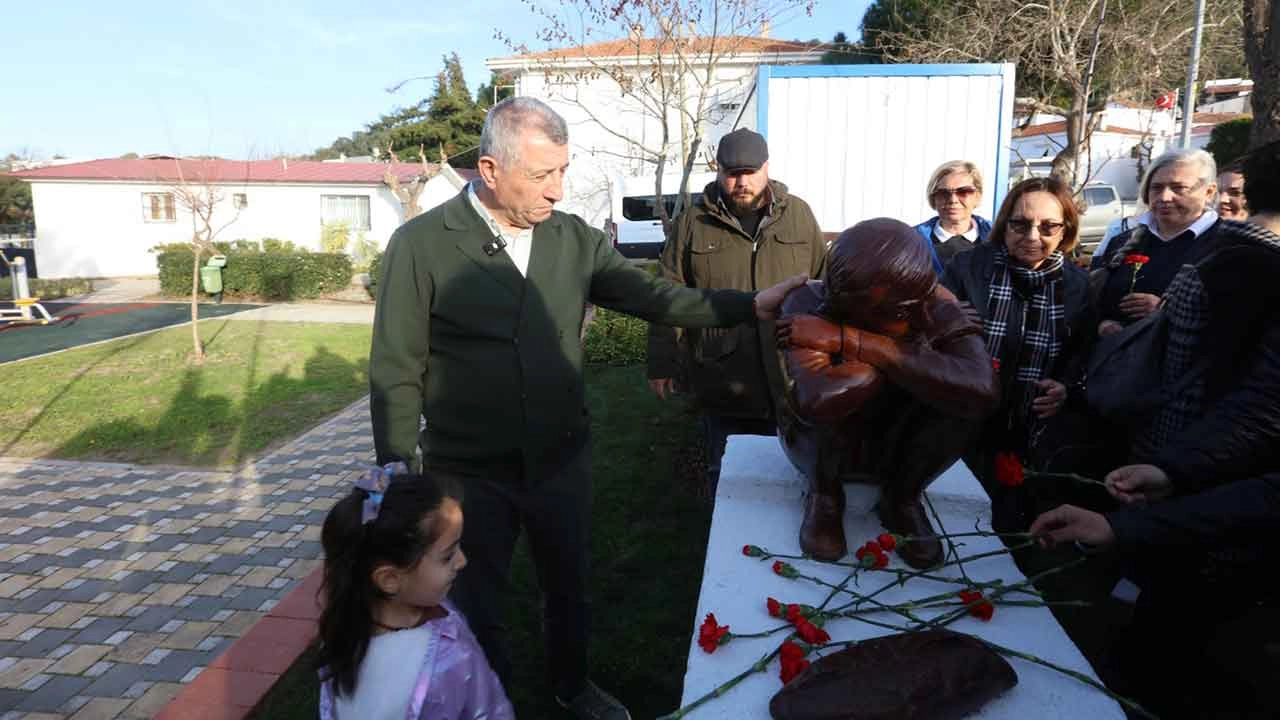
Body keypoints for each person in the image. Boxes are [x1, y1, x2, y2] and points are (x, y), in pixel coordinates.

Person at [369, 97, 804, 720]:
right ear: (490, 171)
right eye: (543, 175)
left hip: (559, 461)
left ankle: (573, 688)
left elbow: (656, 296)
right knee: (474, 600)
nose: (558, 189)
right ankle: (485, 700)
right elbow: (395, 366)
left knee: (568, 587)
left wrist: (750, 303)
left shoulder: (571, 238)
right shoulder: (422, 245)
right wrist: (397, 470)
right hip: (467, 472)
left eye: (563, 171)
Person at [774, 219, 999, 568]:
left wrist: (854, 342)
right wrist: (912, 355)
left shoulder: (932, 302)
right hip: (830, 445)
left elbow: (982, 390)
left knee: (960, 405)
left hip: (900, 440)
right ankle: (825, 496)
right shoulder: (804, 302)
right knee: (839, 405)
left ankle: (902, 498)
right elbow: (817, 398)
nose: (922, 314)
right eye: (901, 312)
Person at [647, 128, 827, 495]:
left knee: (797, 478)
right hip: (723, 374)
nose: (741, 181)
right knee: (730, 481)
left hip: (791, 375)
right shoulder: (693, 223)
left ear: (766, 167)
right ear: (717, 170)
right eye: (732, 172)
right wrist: (662, 361)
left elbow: (822, 285)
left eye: (750, 171)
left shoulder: (799, 216)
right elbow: (667, 293)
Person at [939, 177, 1099, 527]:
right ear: (1004, 224)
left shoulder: (1078, 285)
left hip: (1031, 426)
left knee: (1010, 519)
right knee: (953, 511)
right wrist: (947, 319)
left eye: (1048, 226)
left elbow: (1083, 352)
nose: (1032, 237)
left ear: (1066, 229)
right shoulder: (968, 268)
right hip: (964, 418)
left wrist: (1066, 388)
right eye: (1020, 224)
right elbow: (931, 334)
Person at [317, 465, 515, 720]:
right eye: (447, 556)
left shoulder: (342, 632)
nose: (463, 561)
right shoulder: (446, 664)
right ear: (390, 579)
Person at [1090, 148, 1220, 336]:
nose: (1164, 197)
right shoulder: (1124, 242)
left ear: (1208, 192)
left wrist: (1166, 311)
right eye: (1156, 188)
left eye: (1178, 188)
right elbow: (1093, 303)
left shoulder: (1227, 246)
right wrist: (1104, 324)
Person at [913, 160, 992, 274]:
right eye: (943, 193)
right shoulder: (913, 241)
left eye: (963, 191)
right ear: (933, 198)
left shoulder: (998, 238)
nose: (953, 200)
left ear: (977, 196)